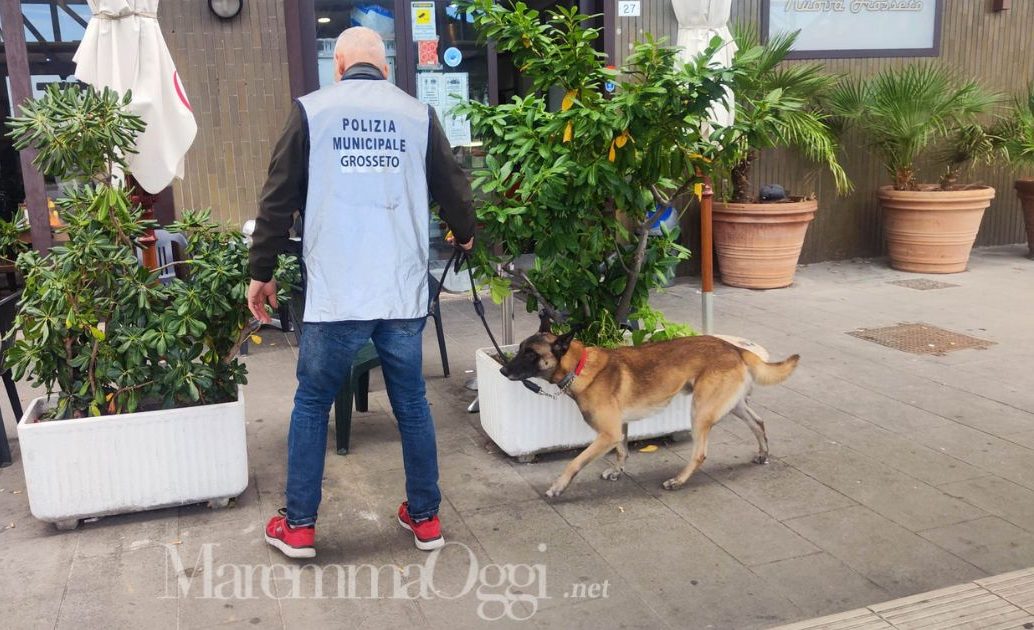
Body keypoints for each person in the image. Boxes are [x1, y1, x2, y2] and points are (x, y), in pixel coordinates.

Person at [247, 26, 475, 559]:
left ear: (340, 66)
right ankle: (425, 519)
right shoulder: (416, 115)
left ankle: (299, 526)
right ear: (387, 69)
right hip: (400, 291)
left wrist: (263, 269)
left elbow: (276, 198)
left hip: (335, 291)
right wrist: (465, 232)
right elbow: (453, 186)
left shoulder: (312, 110)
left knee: (311, 404)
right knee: (412, 403)